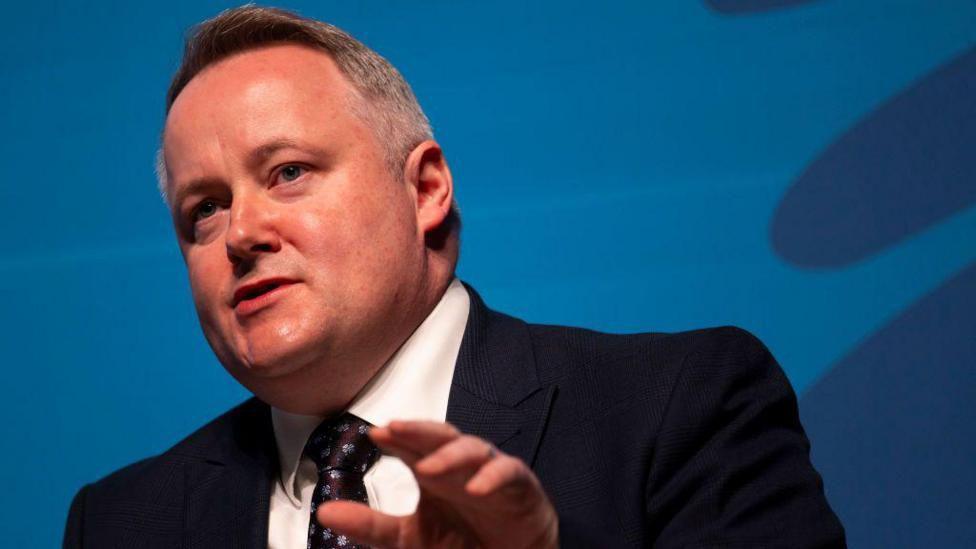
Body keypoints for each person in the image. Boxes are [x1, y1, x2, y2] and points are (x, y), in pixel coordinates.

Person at [62, 5, 845, 548]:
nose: (241, 233)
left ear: (427, 188)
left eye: (290, 171)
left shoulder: (680, 406)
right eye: (203, 209)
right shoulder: (123, 521)